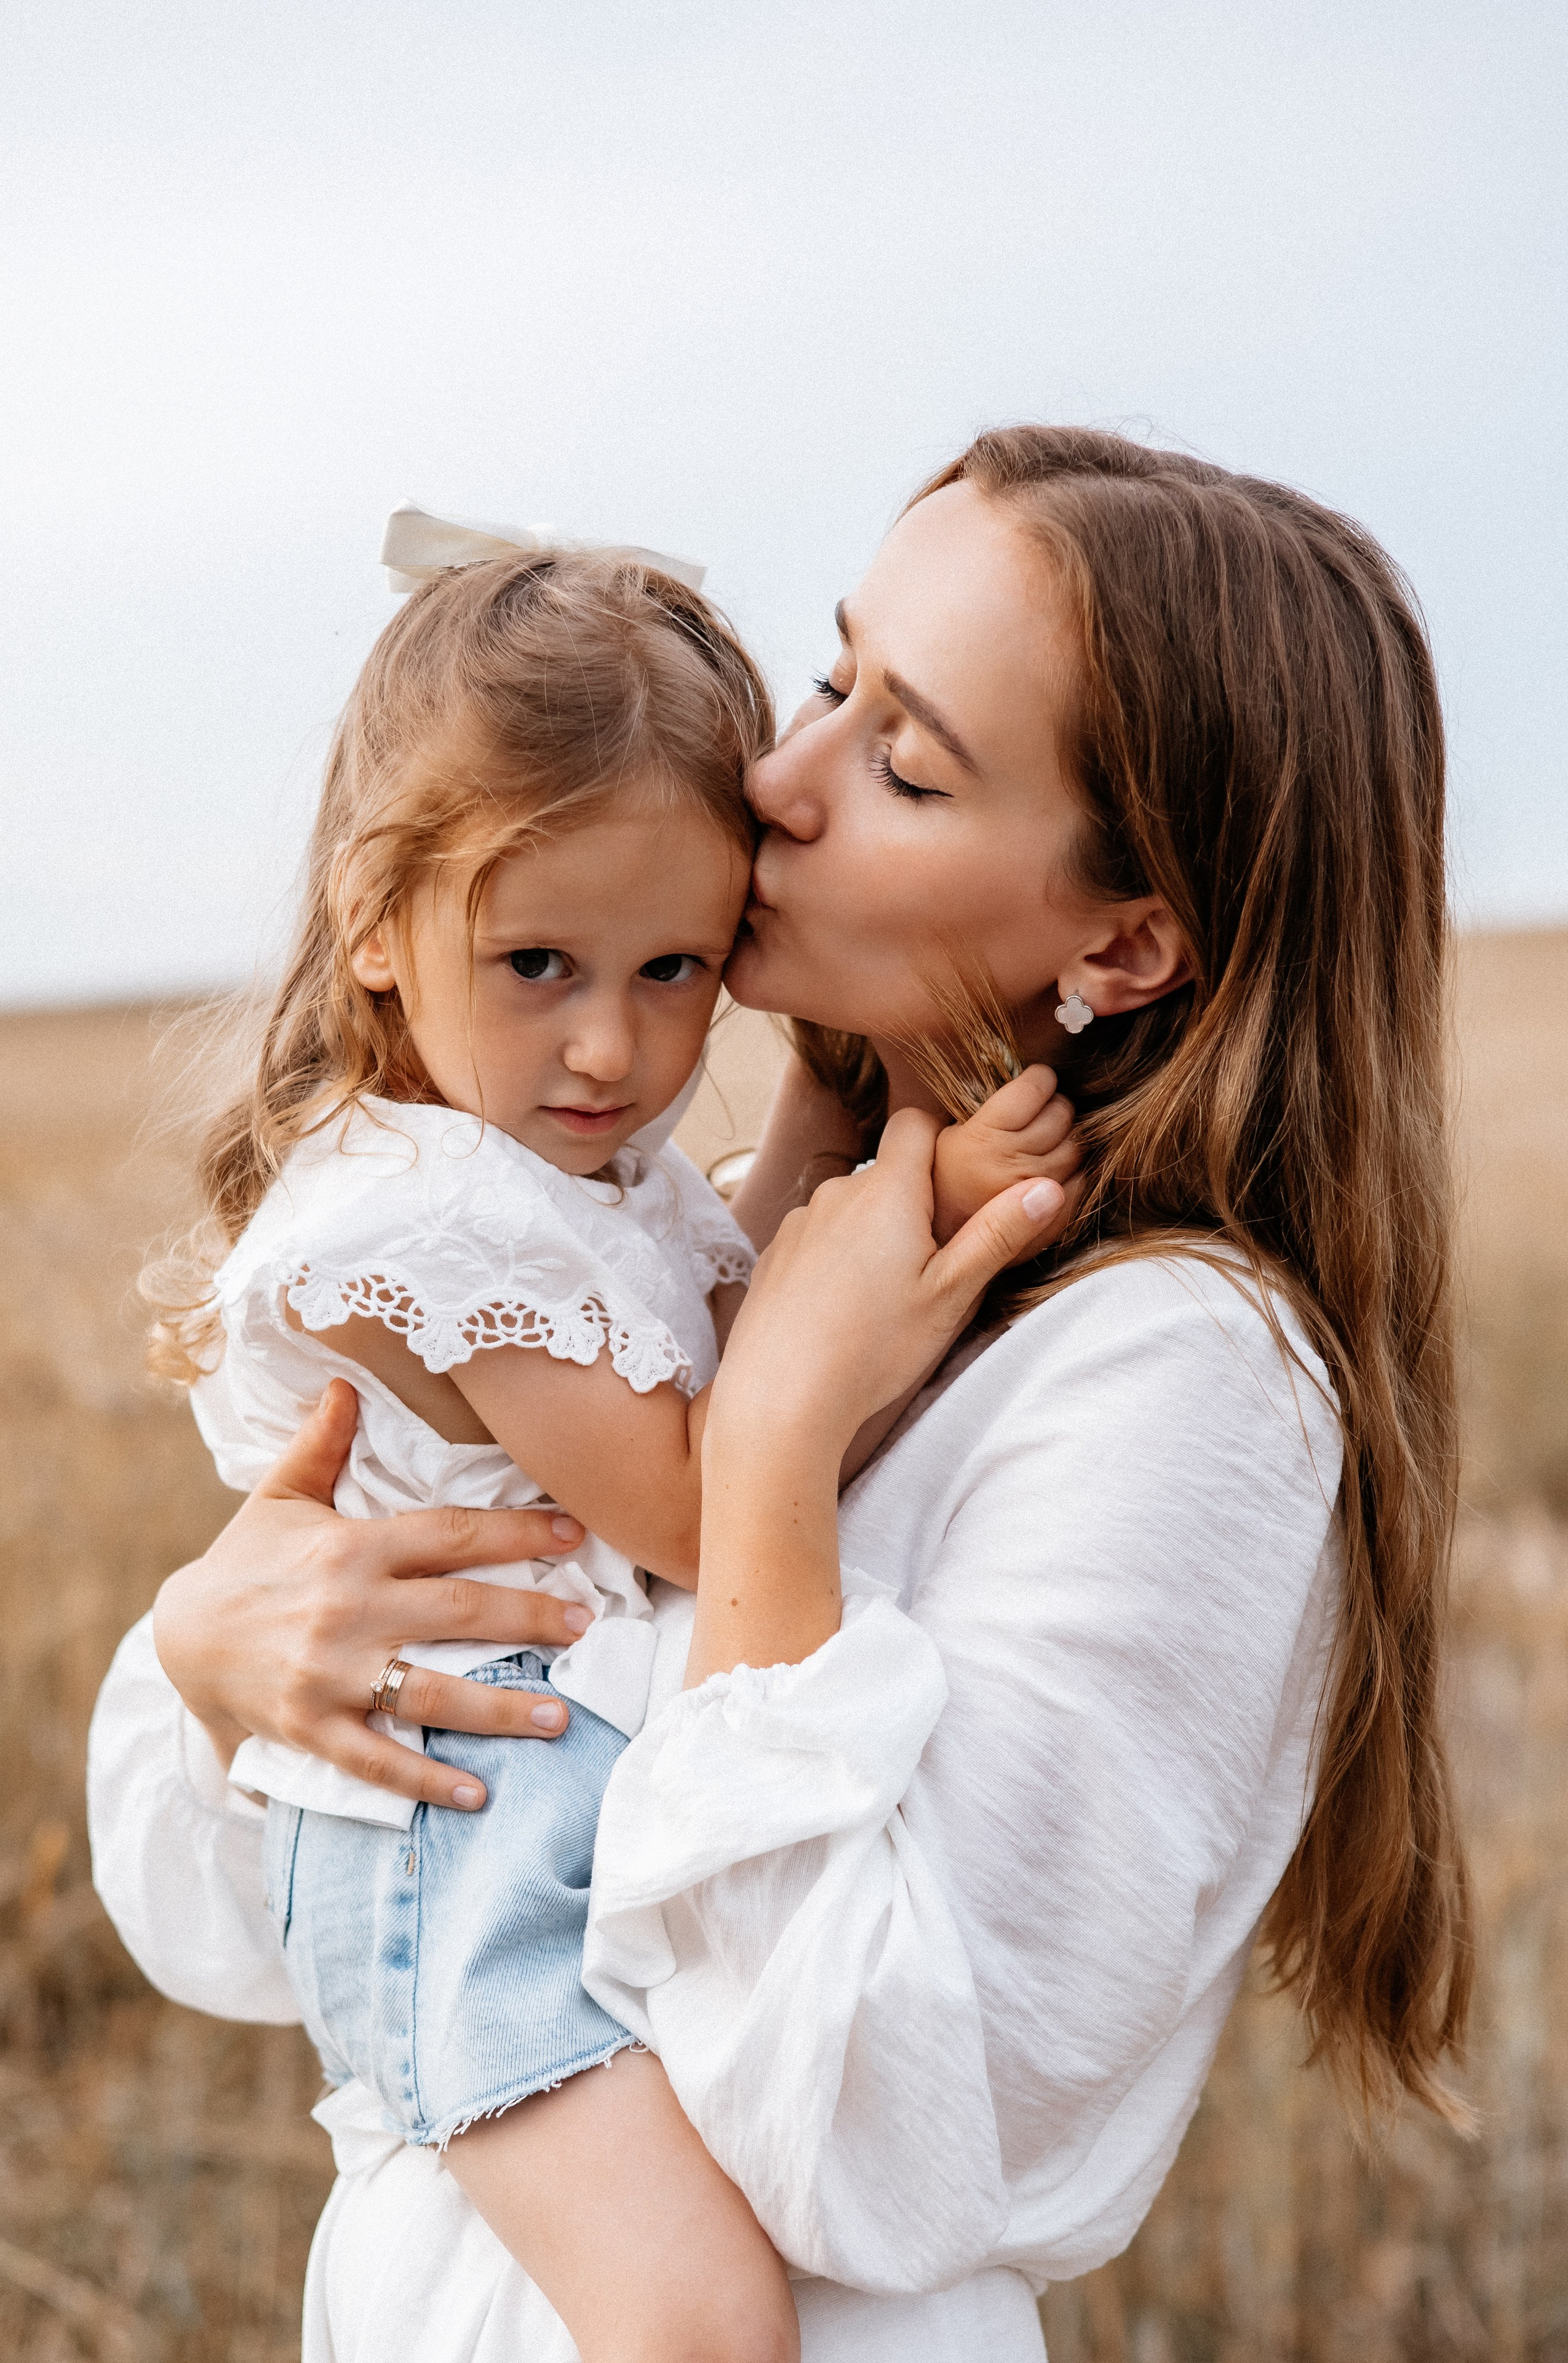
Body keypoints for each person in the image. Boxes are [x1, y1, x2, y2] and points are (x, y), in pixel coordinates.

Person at [90, 426, 1471, 2363]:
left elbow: (882, 2146)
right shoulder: (720, 1231)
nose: (775, 780)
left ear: (1129, 939)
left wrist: (766, 1467)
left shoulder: (1187, 1382)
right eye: (831, 678)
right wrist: (208, 1646)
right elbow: (231, 1931)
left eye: (901, 758)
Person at [133, 530, 1080, 2363]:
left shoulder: (564, 1171)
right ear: (373, 922)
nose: (611, 1045)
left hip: (550, 1797)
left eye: (677, 967)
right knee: (702, 2322)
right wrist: (926, 1199)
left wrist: (824, 1101)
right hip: (465, 1848)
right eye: (541, 959)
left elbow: (727, 1315)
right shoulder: (426, 1232)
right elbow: (694, 1490)